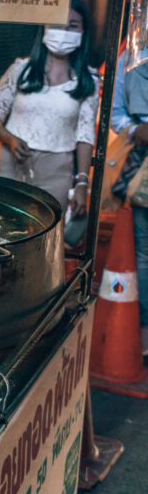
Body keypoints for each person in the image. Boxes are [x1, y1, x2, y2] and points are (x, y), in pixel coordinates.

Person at [0, 0, 100, 214]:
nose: (64, 32)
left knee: (45, 234)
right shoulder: (22, 70)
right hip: (11, 161)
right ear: (45, 28)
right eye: (57, 24)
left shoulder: (88, 80)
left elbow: (85, 135)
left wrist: (83, 183)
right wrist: (8, 137)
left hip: (57, 169)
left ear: (83, 32)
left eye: (72, 26)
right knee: (2, 225)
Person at [110, 49, 148, 352]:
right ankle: (144, 329)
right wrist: (136, 129)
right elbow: (115, 112)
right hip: (143, 165)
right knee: (144, 249)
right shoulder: (133, 54)